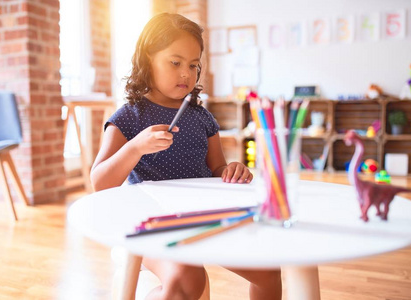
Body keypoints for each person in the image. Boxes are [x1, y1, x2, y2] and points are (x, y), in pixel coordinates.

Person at [91, 13, 281, 300]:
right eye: (175, 62)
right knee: (187, 278)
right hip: (152, 224)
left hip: (207, 218)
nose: (185, 73)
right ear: (147, 60)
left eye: (193, 65)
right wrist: (135, 148)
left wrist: (231, 170)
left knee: (268, 272)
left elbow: (217, 168)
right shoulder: (128, 118)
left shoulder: (202, 117)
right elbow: (100, 183)